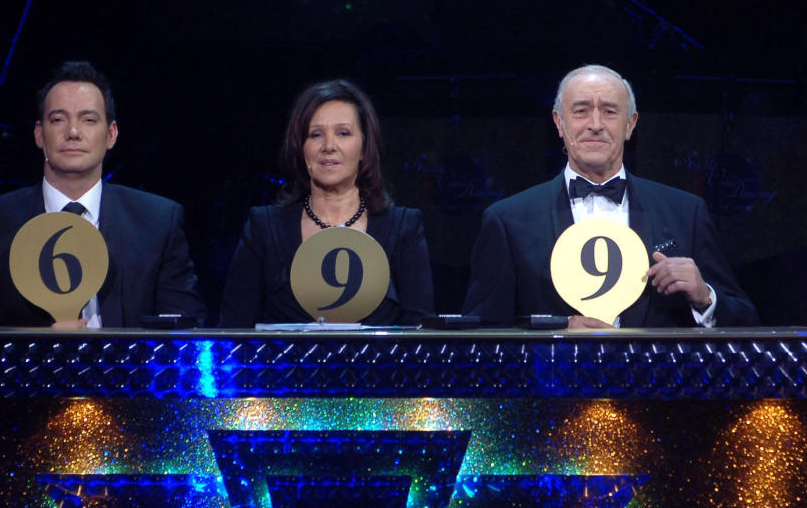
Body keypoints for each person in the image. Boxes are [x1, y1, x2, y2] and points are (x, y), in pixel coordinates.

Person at [463, 64, 758, 328]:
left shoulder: (686, 212)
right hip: (553, 386)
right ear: (558, 122)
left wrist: (704, 297)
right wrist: (554, 335)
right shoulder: (508, 220)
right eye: (580, 110)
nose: (595, 124)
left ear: (630, 124)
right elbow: (482, 335)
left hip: (655, 387)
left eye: (609, 111)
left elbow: (746, 322)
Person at [0, 61, 204, 327]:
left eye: (88, 120)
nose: (73, 132)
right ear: (39, 135)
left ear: (111, 134)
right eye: (58, 120)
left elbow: (184, 333)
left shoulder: (157, 221)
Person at [219, 79, 434, 326]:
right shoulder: (264, 227)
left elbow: (421, 334)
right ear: (301, 148)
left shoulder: (404, 227)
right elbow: (233, 331)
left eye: (343, 133)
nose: (329, 147)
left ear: (364, 147)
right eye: (316, 135)